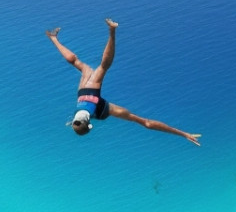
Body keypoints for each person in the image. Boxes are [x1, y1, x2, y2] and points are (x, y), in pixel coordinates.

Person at [46, 19, 201, 146]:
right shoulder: (77, 120)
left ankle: (107, 32)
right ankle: (110, 32)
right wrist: (183, 134)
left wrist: (183, 134)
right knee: (90, 66)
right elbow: (78, 123)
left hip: (92, 100)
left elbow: (147, 124)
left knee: (94, 67)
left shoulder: (98, 113)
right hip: (83, 96)